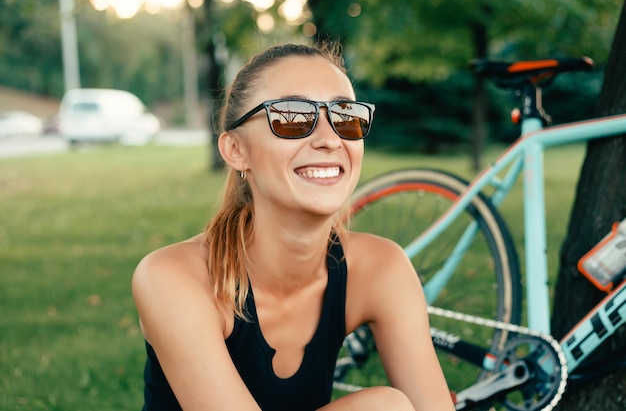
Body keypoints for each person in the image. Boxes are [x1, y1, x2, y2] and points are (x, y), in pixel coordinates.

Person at [132, 42, 455, 411]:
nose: (330, 139)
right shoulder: (170, 278)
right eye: (292, 117)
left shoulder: (381, 268)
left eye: (345, 116)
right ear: (236, 150)